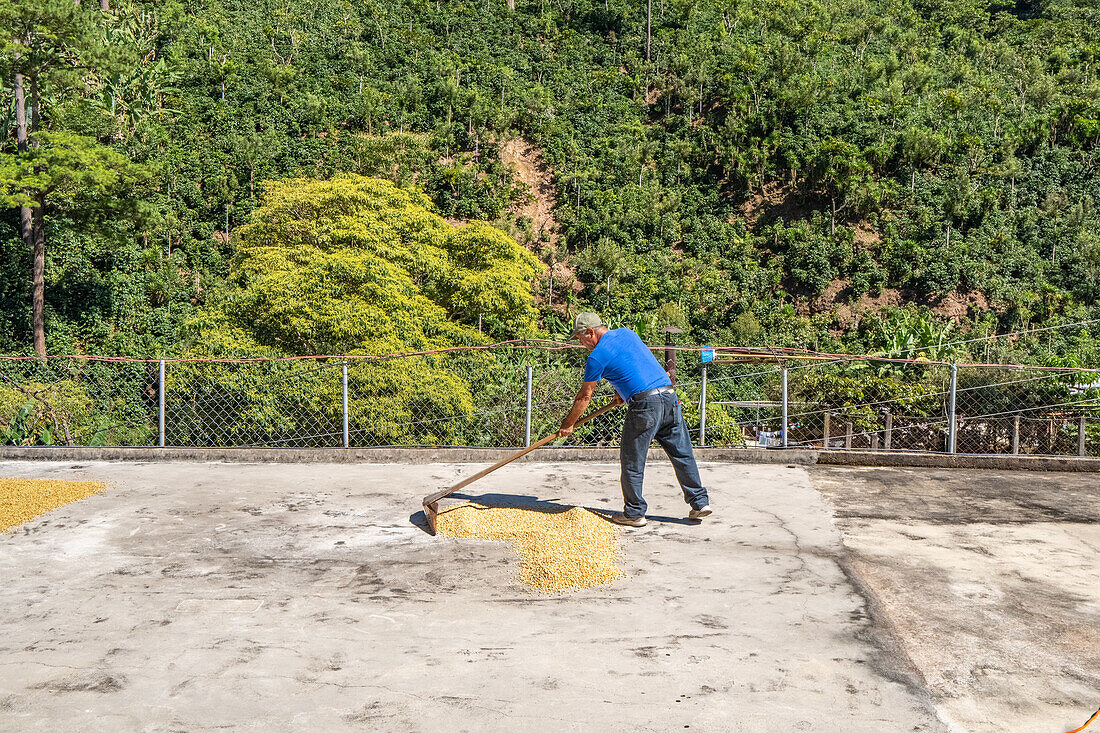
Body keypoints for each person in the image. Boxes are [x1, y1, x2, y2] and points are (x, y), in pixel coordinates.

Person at [557, 312, 712, 527]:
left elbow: (585, 396)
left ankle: (634, 513)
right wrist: (624, 391)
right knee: (682, 453)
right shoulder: (627, 334)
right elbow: (634, 364)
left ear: (590, 332)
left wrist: (568, 424)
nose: (581, 344)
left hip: (645, 406)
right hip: (668, 396)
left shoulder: (596, 357)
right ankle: (699, 502)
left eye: (581, 338)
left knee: (632, 459)